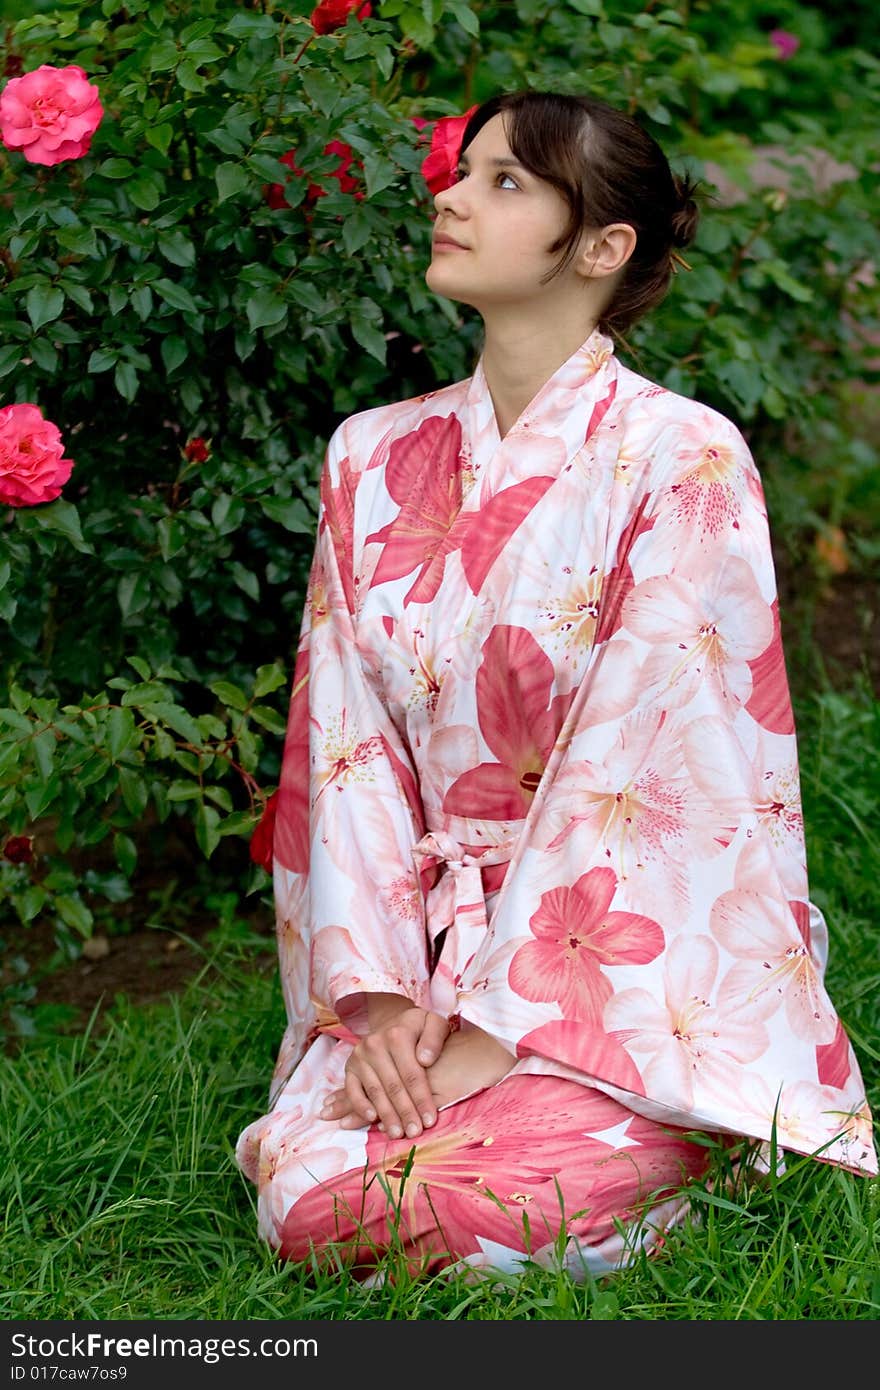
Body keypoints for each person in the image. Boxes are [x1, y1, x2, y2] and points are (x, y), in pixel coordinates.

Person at [235, 89, 877, 1282]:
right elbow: (345, 749)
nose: (450, 197)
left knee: (430, 1201)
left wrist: (491, 1030)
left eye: (503, 183)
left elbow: (648, 763)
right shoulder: (368, 456)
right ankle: (599, 1172)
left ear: (600, 246)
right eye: (462, 171)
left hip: (616, 969)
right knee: (314, 1196)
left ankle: (682, 1136)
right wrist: (377, 1010)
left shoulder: (679, 455)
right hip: (416, 961)